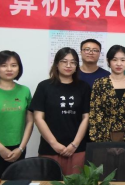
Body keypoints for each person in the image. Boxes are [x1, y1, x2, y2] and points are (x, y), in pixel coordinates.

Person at [30, 47, 90, 175]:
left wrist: (74, 144)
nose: (68, 65)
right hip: (49, 148)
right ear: (57, 64)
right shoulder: (44, 86)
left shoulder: (84, 87)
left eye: (73, 62)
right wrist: (54, 144)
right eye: (64, 61)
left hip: (77, 149)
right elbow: (38, 118)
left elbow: (86, 117)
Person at [89, 45, 125, 142]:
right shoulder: (99, 83)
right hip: (103, 139)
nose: (119, 64)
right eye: (114, 60)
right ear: (108, 61)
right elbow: (95, 113)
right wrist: (104, 140)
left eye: (123, 60)